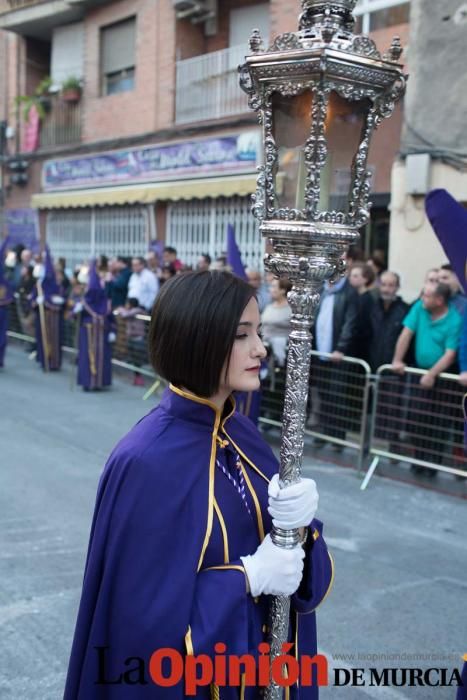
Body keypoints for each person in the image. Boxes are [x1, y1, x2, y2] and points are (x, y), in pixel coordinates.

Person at [64, 271, 333, 700]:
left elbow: (293, 571)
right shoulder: (145, 461)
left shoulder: (243, 434)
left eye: (258, 332)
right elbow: (141, 627)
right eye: (241, 335)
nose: (260, 349)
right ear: (198, 338)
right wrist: (245, 577)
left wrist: (301, 531)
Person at [392, 282, 462, 475]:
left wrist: (432, 374)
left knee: (438, 422)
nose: (422, 298)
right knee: (416, 417)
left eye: (427, 295)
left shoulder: (454, 319)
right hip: (419, 372)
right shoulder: (420, 308)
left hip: (441, 376)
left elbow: (450, 353)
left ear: (439, 300)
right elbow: (406, 334)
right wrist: (397, 360)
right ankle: (419, 460)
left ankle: (434, 464)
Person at [73, 261, 115, 391]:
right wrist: (76, 311)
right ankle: (88, 382)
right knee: (87, 357)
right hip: (88, 333)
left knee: (101, 358)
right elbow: (76, 317)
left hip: (102, 333)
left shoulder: (105, 302)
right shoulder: (85, 301)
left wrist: (113, 330)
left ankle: (99, 382)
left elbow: (111, 317)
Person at [30, 247, 65, 371]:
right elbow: (33, 300)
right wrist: (37, 301)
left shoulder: (58, 286)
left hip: (55, 317)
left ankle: (55, 362)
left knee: (56, 340)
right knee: (42, 338)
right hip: (43, 317)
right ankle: (44, 361)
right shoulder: (39, 285)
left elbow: (61, 298)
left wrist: (58, 301)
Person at [261, 276, 292, 366]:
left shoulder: (291, 310)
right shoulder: (269, 307)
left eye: (273, 286)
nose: (270, 289)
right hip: (265, 352)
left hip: (282, 356)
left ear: (283, 290)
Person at [0, 237, 14, 368]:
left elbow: (9, 296)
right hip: (3, 310)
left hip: (3, 310)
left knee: (2, 337)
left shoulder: (6, 279)